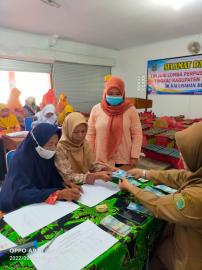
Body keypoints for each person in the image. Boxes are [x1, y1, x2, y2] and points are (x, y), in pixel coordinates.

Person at [119, 122, 202, 270]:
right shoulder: (198, 174)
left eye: (185, 151)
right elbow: (182, 176)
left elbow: (159, 205)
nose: (181, 156)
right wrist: (145, 173)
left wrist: (131, 188)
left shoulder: (197, 197)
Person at [0, 123, 82, 212]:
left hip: (39, 202)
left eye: (56, 144)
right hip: (15, 206)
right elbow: (20, 193)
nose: (54, 148)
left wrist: (65, 184)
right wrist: (58, 194)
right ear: (37, 142)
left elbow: (51, 177)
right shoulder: (21, 159)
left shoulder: (45, 155)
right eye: (50, 144)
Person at [86, 76, 142, 167]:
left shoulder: (130, 110)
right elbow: (90, 135)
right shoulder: (96, 109)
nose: (114, 96)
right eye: (111, 93)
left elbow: (137, 134)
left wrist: (134, 156)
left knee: (122, 181)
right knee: (102, 181)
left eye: (117, 94)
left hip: (124, 159)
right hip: (101, 160)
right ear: (105, 92)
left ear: (123, 94)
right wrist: (89, 156)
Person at [55, 112, 113, 185]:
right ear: (68, 130)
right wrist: (95, 176)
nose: (80, 135)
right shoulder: (60, 148)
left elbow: (92, 165)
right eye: (76, 132)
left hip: (85, 185)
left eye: (83, 131)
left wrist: (106, 168)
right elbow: (68, 177)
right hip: (68, 187)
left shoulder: (84, 143)